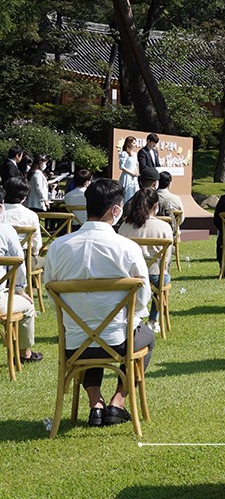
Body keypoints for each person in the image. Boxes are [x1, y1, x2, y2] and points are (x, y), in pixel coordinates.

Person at [44, 178, 154, 427]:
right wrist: (131, 316)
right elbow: (142, 296)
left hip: (74, 341)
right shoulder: (127, 248)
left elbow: (52, 294)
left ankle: (96, 403)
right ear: (116, 210)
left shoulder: (58, 247)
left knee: (89, 333)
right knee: (147, 337)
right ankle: (119, 400)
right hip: (118, 340)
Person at [117, 187, 173, 334]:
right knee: (163, 278)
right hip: (155, 275)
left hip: (128, 275)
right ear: (156, 206)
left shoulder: (124, 227)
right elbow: (167, 258)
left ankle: (134, 316)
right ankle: (154, 320)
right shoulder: (164, 227)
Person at [0, 186, 39, 364]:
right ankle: (25, 353)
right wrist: (19, 289)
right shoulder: (6, 231)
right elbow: (19, 262)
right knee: (29, 306)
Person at [118, 136, 139, 202]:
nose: (134, 145)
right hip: (127, 176)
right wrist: (131, 173)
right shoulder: (124, 153)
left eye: (135, 143)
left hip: (134, 177)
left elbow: (136, 164)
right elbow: (121, 166)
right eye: (133, 143)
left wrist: (136, 173)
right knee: (127, 194)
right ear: (128, 143)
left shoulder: (135, 154)